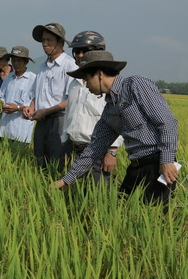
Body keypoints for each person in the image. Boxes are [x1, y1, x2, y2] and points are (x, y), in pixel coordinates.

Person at [51, 50, 179, 206]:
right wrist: (66, 180)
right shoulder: (109, 110)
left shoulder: (135, 85)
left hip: (158, 163)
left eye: (86, 79)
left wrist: (166, 160)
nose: (86, 85)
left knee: (155, 217)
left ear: (99, 74)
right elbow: (94, 149)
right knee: (121, 210)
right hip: (136, 166)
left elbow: (167, 122)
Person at [62, 31, 123, 187]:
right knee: (76, 193)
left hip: (98, 151)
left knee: (98, 194)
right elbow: (69, 114)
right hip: (75, 149)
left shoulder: (108, 85)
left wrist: (112, 151)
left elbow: (118, 120)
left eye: (86, 50)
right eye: (77, 51)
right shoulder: (74, 84)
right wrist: (65, 143)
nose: (80, 55)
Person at [23, 23, 77, 170]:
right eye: (43, 40)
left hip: (59, 120)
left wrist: (45, 111)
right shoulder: (42, 67)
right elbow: (37, 94)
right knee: (40, 159)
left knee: (58, 161)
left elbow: (71, 100)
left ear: (60, 42)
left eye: (49, 40)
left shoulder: (70, 66)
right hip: (41, 120)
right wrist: (31, 107)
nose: (45, 44)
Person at [0, 46, 36, 145]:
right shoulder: (9, 77)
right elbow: (1, 95)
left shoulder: (33, 79)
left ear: (25, 62)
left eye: (19, 61)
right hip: (5, 128)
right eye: (13, 60)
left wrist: (18, 108)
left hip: (21, 130)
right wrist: (1, 103)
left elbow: (35, 102)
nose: (15, 64)